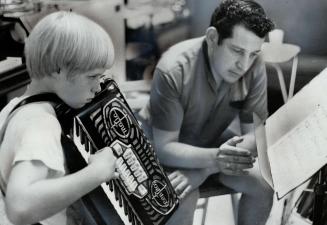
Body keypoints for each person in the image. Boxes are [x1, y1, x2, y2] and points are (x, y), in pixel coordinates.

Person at [141, 0, 275, 224]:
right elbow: (165, 148)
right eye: (237, 51)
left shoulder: (254, 63)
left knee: (264, 183)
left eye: (252, 54)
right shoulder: (173, 68)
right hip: (162, 151)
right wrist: (215, 161)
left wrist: (206, 168)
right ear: (213, 38)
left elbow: (255, 136)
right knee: (182, 198)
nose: (244, 64)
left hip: (211, 147)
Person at [0, 11, 117, 225]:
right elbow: (19, 206)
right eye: (92, 76)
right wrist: (96, 173)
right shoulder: (41, 124)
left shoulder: (13, 108)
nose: (98, 86)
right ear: (57, 70)